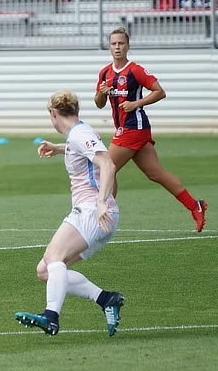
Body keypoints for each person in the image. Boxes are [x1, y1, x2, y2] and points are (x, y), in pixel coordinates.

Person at [14, 90, 123, 336]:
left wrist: (103, 201)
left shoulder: (80, 133)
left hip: (92, 212)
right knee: (46, 270)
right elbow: (83, 150)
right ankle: (107, 299)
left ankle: (50, 317)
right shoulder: (77, 134)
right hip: (93, 213)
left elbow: (108, 163)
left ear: (53, 114)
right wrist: (58, 148)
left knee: (54, 258)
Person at [95, 28, 207, 231]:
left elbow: (160, 91)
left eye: (121, 43)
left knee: (105, 168)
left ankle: (107, 214)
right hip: (130, 129)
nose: (117, 47)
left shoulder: (135, 70)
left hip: (134, 128)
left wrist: (136, 103)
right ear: (109, 47)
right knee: (156, 174)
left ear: (128, 47)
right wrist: (102, 94)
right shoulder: (105, 73)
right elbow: (99, 104)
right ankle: (195, 205)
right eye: (114, 44)